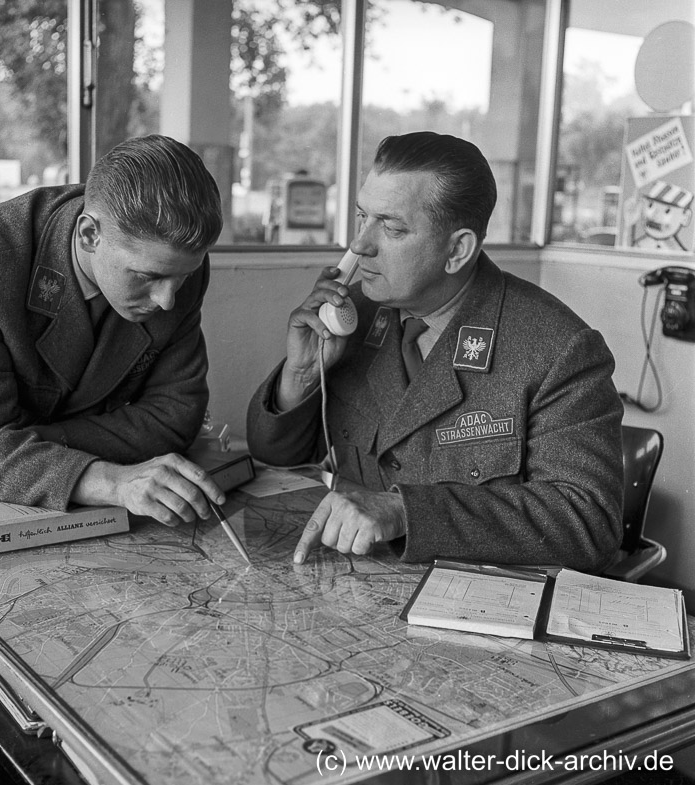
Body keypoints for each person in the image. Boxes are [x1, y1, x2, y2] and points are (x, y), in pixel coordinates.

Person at [246, 131, 624, 572]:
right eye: (361, 217)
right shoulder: (358, 316)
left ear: (457, 249)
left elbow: (589, 522)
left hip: (477, 606)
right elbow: (276, 458)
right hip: (356, 586)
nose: (360, 245)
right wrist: (304, 374)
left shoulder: (555, 348)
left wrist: (406, 512)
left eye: (391, 227)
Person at [0, 134, 227, 527]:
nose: (168, 300)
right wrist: (113, 481)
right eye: (146, 276)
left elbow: (175, 416)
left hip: (45, 478)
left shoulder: (175, 269)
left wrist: (32, 445)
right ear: (90, 235)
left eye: (182, 277)